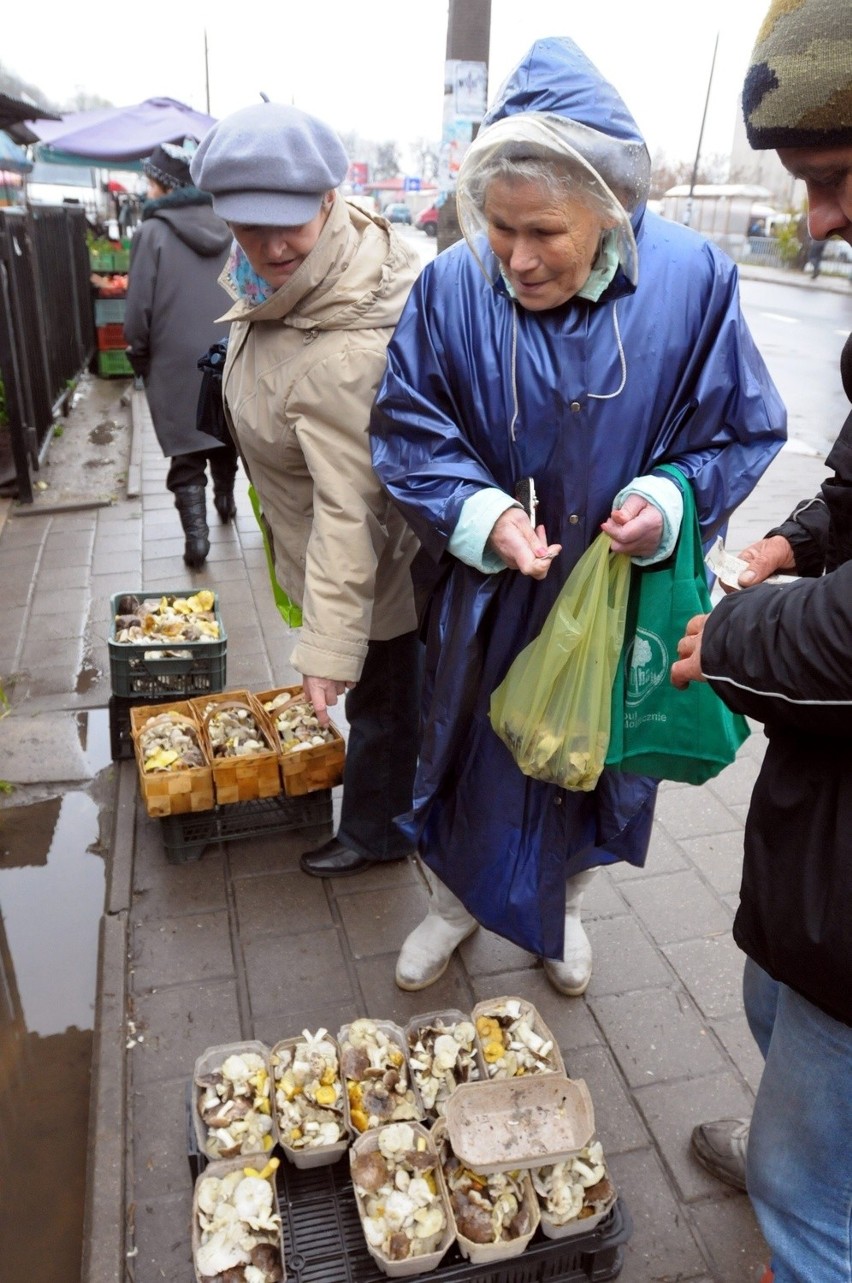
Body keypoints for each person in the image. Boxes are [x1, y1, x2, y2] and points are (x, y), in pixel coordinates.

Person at [369, 37, 787, 995]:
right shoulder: (450, 287)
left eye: (545, 232)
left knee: (596, 764)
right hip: (486, 592)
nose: (516, 258)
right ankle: (453, 906)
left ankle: (567, 909)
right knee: (470, 748)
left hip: (619, 597)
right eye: (500, 228)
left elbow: (742, 426)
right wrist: (478, 513)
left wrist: (671, 498)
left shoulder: (692, 282)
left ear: (612, 208)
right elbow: (406, 429)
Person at [674, 4, 852, 1277]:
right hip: (830, 826)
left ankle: (810, 1200)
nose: (823, 222)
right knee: (766, 997)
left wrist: (732, 629)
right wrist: (792, 537)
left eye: (835, 181)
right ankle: (806, 1148)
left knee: (810, 1180)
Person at [189, 101, 423, 878]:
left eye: (289, 223)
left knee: (384, 695)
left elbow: (348, 508)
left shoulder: (344, 345)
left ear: (332, 199)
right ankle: (391, 809)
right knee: (384, 692)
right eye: (249, 228)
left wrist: (327, 645)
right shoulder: (286, 275)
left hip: (378, 563)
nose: (270, 245)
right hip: (333, 541)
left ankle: (380, 832)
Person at [123, 142, 238, 569]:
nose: (146, 189)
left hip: (172, 360)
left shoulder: (151, 232)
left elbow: (138, 308)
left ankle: (197, 540)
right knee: (223, 432)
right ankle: (225, 499)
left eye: (150, 181)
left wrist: (138, 352)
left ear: (164, 185)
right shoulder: (232, 223)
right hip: (226, 351)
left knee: (186, 452)